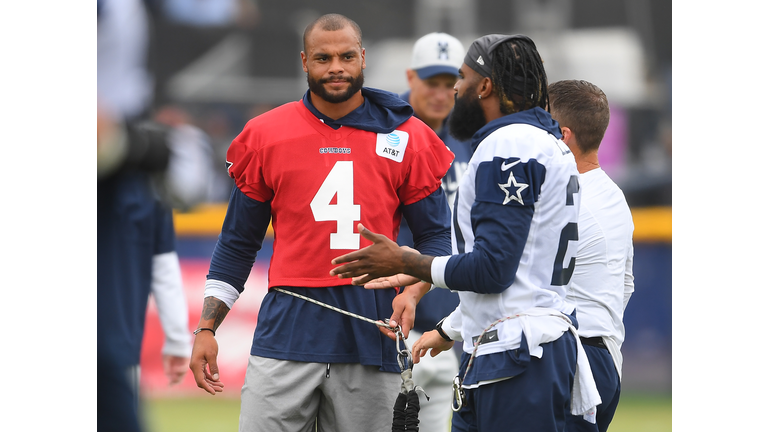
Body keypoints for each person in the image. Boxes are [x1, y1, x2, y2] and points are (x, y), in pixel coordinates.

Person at [187, 13, 455, 432]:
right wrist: (207, 328)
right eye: (323, 58)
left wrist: (415, 289)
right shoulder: (265, 135)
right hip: (287, 329)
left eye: (346, 57)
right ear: (304, 61)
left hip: (372, 330)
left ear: (363, 58)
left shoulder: (408, 136)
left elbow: (437, 235)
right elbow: (238, 243)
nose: (336, 67)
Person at [330, 34, 601, 432]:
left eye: (461, 77)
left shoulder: (508, 145)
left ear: (485, 86)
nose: (455, 89)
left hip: (517, 354)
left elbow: (493, 270)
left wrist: (407, 260)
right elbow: (515, 266)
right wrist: (442, 310)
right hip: (515, 346)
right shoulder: (542, 142)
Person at [548, 79, 635, 432]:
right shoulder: (615, 195)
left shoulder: (563, 200)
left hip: (572, 359)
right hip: (607, 360)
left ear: (563, 135)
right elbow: (626, 284)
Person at [396, 31, 468, 432]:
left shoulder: (472, 137)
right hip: (396, 312)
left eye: (449, 84)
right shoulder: (386, 131)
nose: (441, 94)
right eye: (431, 82)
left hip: (451, 316)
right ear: (411, 77)